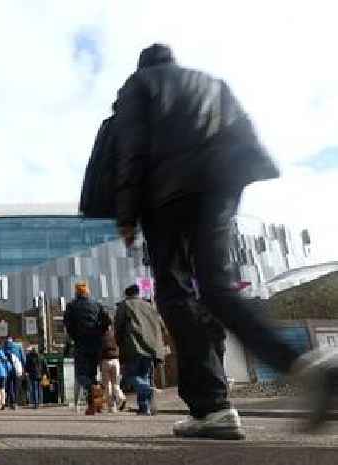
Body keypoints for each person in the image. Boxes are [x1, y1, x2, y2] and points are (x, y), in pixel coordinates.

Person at [112, 43, 338, 438]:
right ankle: (306, 366)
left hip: (167, 193)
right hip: (221, 184)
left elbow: (130, 147)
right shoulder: (209, 83)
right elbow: (241, 131)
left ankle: (212, 408)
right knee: (216, 286)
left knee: (175, 291)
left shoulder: (140, 84)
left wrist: (126, 212)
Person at [115, 285, 164, 416]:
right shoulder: (150, 306)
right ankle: (144, 408)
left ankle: (146, 389)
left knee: (130, 376)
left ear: (127, 294)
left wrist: (119, 342)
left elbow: (118, 326)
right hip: (150, 348)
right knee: (145, 376)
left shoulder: (125, 305)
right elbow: (160, 326)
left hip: (133, 347)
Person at [64, 282, 105, 415]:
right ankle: (93, 406)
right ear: (88, 292)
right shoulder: (97, 305)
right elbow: (107, 321)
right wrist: (98, 333)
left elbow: (67, 324)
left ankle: (94, 390)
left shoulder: (71, 306)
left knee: (81, 375)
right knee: (92, 374)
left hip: (81, 344)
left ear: (77, 292)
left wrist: (74, 336)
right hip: (95, 344)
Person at [101, 312, 126, 413]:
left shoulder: (101, 334)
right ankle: (121, 398)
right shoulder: (115, 333)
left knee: (108, 385)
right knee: (116, 383)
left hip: (105, 361)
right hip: (116, 360)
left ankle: (112, 407)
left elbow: (99, 348)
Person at [2, 336, 25, 410]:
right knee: (16, 386)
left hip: (8, 369)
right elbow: (23, 358)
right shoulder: (19, 346)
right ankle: (15, 403)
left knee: (9, 386)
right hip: (17, 368)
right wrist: (24, 367)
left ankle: (12, 402)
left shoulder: (4, 347)